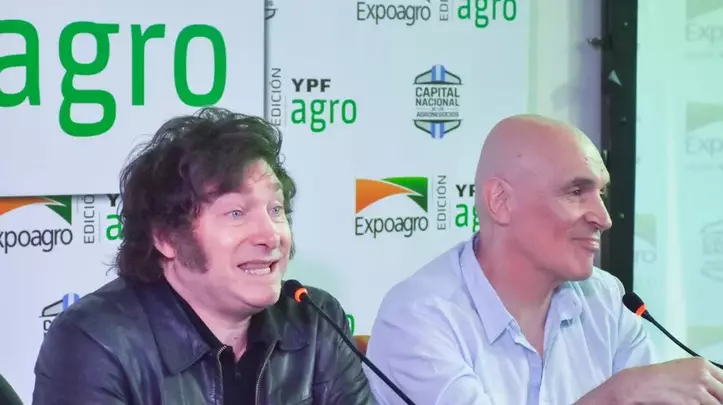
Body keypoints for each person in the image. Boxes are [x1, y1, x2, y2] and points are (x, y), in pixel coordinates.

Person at [365, 114, 723, 405]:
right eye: (576, 191)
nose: (603, 217)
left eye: (602, 193)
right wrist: (616, 396)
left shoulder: (607, 298)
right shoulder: (417, 317)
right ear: (501, 202)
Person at [32, 108, 375, 405]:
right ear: (166, 237)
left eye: (276, 209)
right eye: (236, 213)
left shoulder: (315, 322)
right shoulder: (95, 342)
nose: (270, 235)